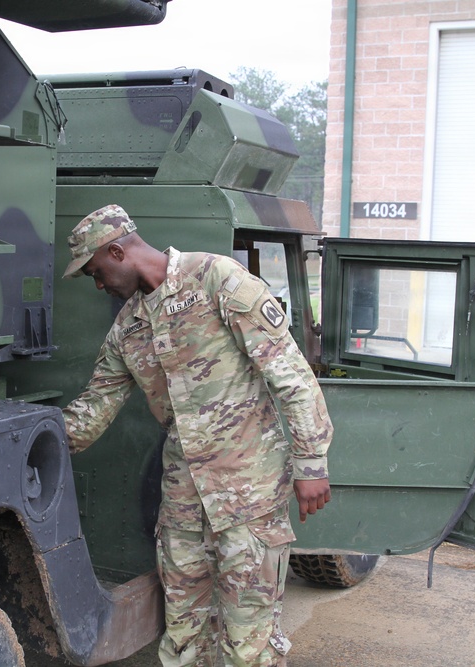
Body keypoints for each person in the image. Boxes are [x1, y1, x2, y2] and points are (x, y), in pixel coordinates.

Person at [60, 204, 333, 667]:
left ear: (117, 251)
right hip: (183, 499)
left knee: (249, 639)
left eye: (96, 272)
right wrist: (27, 438)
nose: (99, 284)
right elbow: (92, 411)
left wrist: (311, 464)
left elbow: (291, 375)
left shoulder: (215, 279)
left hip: (248, 489)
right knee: (184, 632)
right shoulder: (128, 329)